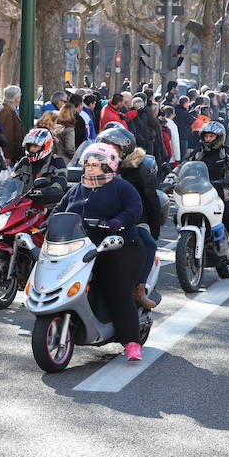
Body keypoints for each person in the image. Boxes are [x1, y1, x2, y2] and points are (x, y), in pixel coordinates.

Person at [51, 143, 145, 361]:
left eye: (95, 165)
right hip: (80, 248)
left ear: (108, 166)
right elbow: (59, 210)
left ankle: (131, 342)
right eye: (87, 164)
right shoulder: (76, 189)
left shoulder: (121, 187)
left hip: (118, 247)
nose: (89, 169)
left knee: (117, 289)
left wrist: (118, 221)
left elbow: (134, 208)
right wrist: (49, 223)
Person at [183, 121, 229, 280]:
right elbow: (182, 167)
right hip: (201, 197)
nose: (208, 139)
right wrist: (171, 178)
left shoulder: (227, 153)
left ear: (219, 138)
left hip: (223, 197)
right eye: (206, 136)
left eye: (211, 136)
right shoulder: (197, 154)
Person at [98, 125, 160, 309]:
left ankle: (138, 290)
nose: (107, 150)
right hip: (98, 216)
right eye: (105, 145)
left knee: (147, 243)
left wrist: (154, 228)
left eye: (112, 147)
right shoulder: (93, 162)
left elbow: (152, 199)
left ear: (123, 150)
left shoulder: (139, 169)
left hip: (133, 217)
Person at [11, 128, 67, 198]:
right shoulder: (24, 162)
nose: (32, 149)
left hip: (47, 204)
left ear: (46, 145)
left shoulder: (56, 161)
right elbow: (12, 181)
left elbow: (60, 182)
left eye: (36, 146)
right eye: (30, 146)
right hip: (24, 203)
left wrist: (49, 191)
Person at [0, 85, 24, 167]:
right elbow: (6, 134)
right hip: (10, 156)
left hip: (12, 154)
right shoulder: (7, 112)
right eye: (19, 97)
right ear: (16, 98)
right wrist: (7, 156)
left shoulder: (8, 110)